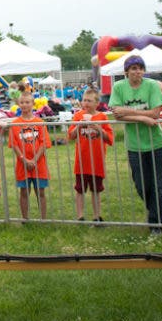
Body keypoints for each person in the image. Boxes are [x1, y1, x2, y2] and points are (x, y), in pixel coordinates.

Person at [109, 55, 162, 233]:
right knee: (142, 185)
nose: (137, 72)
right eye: (134, 68)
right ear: (126, 71)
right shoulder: (119, 87)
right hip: (134, 145)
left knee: (157, 185)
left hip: (155, 143)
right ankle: (155, 214)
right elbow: (117, 114)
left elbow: (155, 113)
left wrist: (127, 111)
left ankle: (156, 224)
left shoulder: (152, 86)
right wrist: (142, 117)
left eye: (140, 68)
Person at [68, 88, 113, 223]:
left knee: (96, 190)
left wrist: (97, 127)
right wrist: (79, 126)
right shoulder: (78, 116)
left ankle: (96, 216)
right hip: (81, 162)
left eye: (89, 101)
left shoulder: (102, 117)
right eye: (84, 100)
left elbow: (109, 138)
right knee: (80, 189)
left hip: (97, 162)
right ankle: (80, 216)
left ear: (97, 103)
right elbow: (71, 136)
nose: (86, 103)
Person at [9, 93, 52, 220]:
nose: (25, 105)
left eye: (27, 102)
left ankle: (43, 218)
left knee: (40, 191)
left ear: (33, 104)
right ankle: (25, 218)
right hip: (22, 165)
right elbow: (14, 144)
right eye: (22, 102)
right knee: (24, 191)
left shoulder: (40, 122)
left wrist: (34, 160)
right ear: (19, 104)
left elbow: (44, 143)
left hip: (39, 164)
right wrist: (24, 159)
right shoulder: (15, 123)